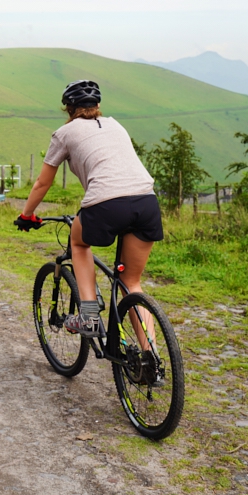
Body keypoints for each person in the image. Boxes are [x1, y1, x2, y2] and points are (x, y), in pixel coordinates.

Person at [14, 79, 164, 339]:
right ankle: (151, 357)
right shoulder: (116, 125)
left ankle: (90, 316)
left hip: (106, 203)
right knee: (132, 282)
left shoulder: (64, 133)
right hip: (146, 201)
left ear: (69, 110)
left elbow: (42, 183)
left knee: (79, 243)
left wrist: (26, 214)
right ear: (98, 105)